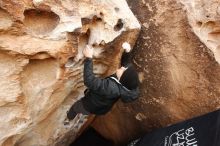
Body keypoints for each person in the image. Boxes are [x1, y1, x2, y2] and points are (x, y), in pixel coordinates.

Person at [66, 42, 140, 121]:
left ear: (122, 79)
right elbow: (126, 64)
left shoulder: (111, 88)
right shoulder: (127, 85)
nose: (120, 68)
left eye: (122, 70)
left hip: (89, 105)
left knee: (75, 107)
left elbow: (89, 81)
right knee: (89, 108)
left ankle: (69, 117)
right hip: (101, 106)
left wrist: (88, 58)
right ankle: (85, 114)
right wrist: (127, 51)